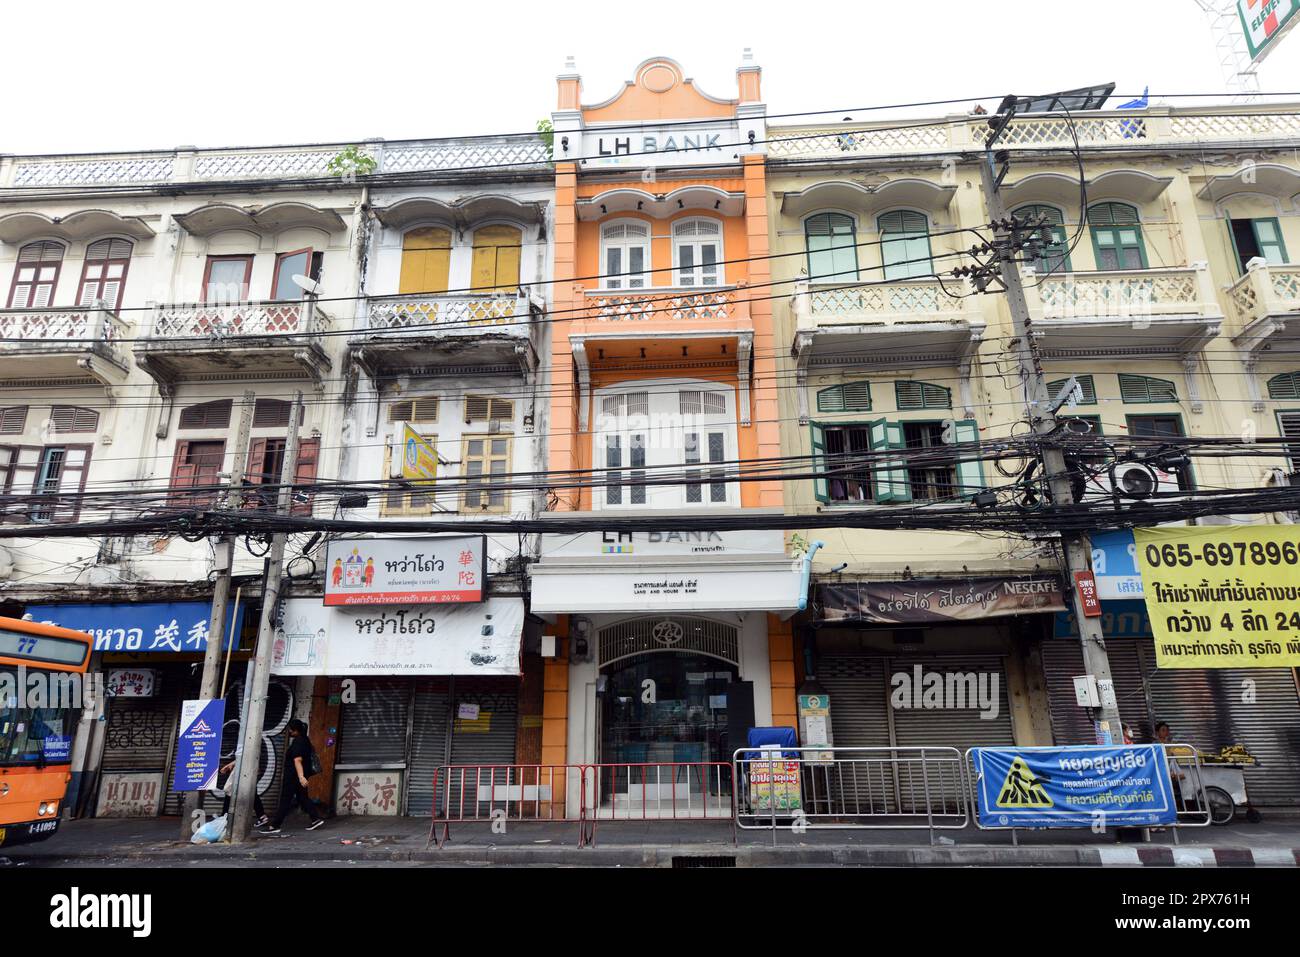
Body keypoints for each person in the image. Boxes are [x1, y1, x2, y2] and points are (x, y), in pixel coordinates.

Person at [258, 719, 325, 834]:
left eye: (290, 729)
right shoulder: (305, 740)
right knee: (302, 797)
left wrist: (301, 777)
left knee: (285, 799)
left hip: (294, 776)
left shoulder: (298, 742)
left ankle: (275, 825)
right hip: (298, 776)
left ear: (296, 730)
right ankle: (315, 819)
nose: (289, 731)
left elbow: (297, 760)